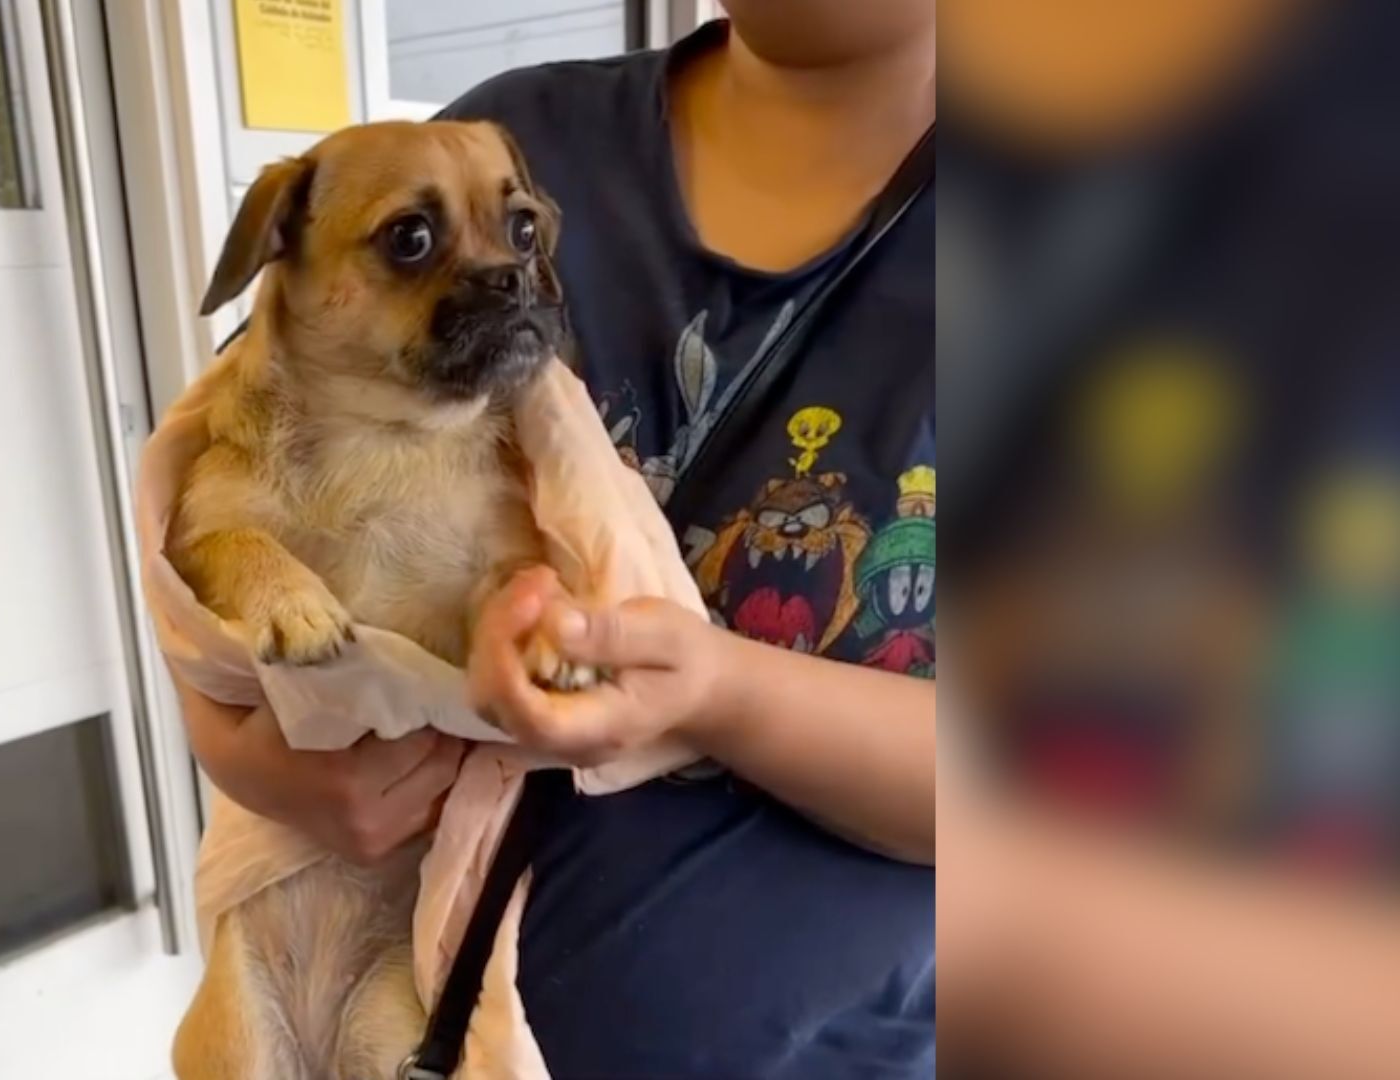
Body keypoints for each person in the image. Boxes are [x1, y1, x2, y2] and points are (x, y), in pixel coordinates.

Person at [173, 4, 937, 1075]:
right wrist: (244, 754)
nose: (496, 272)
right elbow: (223, 486)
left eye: (519, 235)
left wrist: (718, 691)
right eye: (414, 243)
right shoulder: (508, 128)